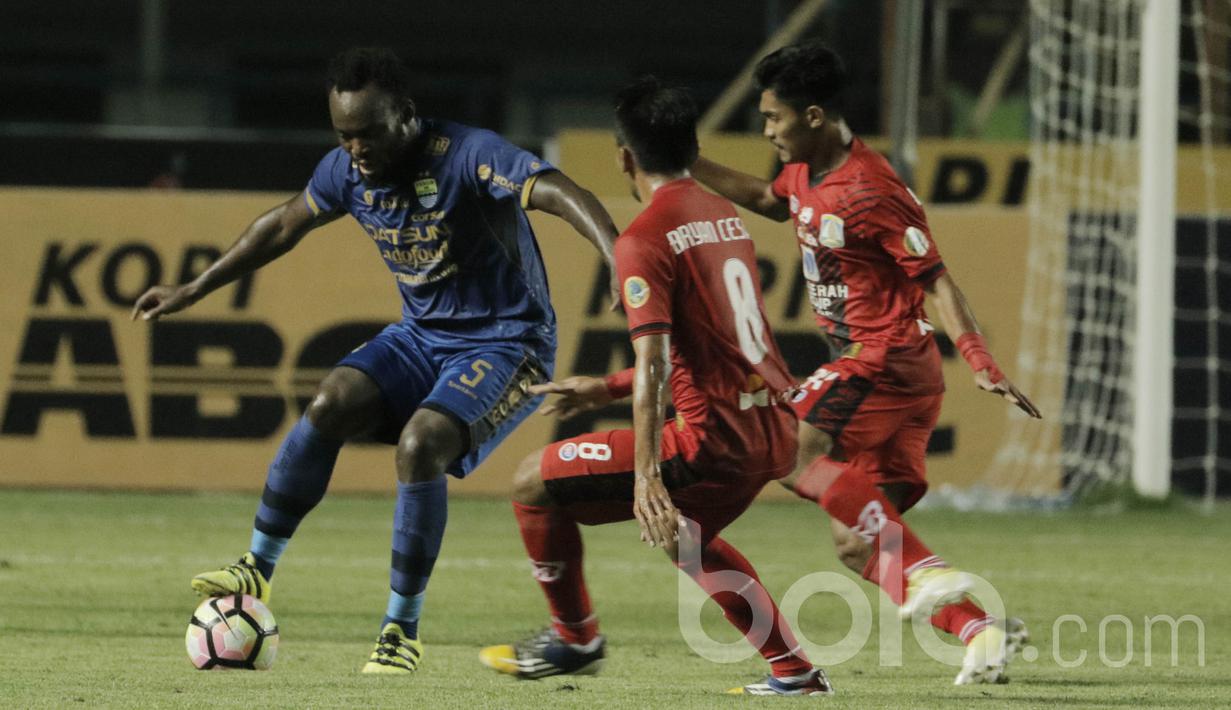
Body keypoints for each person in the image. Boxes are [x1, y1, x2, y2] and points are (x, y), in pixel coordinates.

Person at [130, 47, 620, 674]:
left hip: (508, 342)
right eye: (343, 135)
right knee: (329, 400)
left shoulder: (467, 154)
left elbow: (555, 190)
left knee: (421, 445)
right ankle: (256, 566)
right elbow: (282, 225)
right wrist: (193, 288)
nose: (355, 149)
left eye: (366, 133)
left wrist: (613, 250)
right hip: (421, 337)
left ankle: (400, 630)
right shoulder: (346, 171)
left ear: (406, 115)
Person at [689, 42, 1042, 685]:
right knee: (858, 544)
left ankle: (931, 571)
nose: (767, 132)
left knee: (788, 444)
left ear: (814, 115)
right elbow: (773, 201)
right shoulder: (806, 173)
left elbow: (934, 279)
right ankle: (977, 631)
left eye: (774, 118)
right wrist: (690, 163)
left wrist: (980, 359)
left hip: (884, 358)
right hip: (890, 371)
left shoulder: (870, 188)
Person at [477, 78, 832, 697]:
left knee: (533, 480)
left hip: (710, 440)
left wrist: (646, 474)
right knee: (688, 539)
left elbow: (656, 363)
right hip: (771, 424)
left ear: (624, 157)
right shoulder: (722, 215)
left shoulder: (642, 239)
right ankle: (794, 671)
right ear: (692, 149)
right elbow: (715, 344)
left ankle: (575, 636)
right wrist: (604, 388)